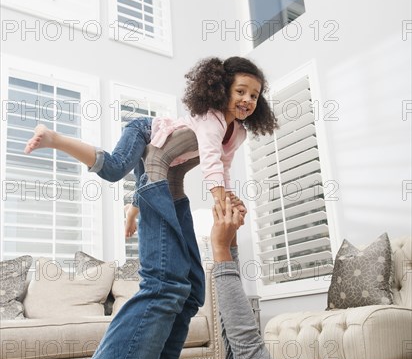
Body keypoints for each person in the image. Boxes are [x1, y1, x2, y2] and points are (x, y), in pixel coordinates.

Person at [73, 169, 359, 359]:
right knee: (191, 292)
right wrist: (231, 244)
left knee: (165, 287)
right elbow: (234, 338)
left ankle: (154, 171)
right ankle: (172, 183)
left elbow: (247, 342)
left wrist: (219, 247)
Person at [23, 56, 277, 237]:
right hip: (146, 132)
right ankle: (54, 138)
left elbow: (224, 166)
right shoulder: (212, 120)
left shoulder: (239, 132)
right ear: (222, 91)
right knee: (114, 170)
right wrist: (219, 200)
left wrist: (229, 197)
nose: (247, 99)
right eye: (241, 91)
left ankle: (131, 211)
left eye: (254, 95)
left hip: (163, 156)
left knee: (147, 183)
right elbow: (210, 161)